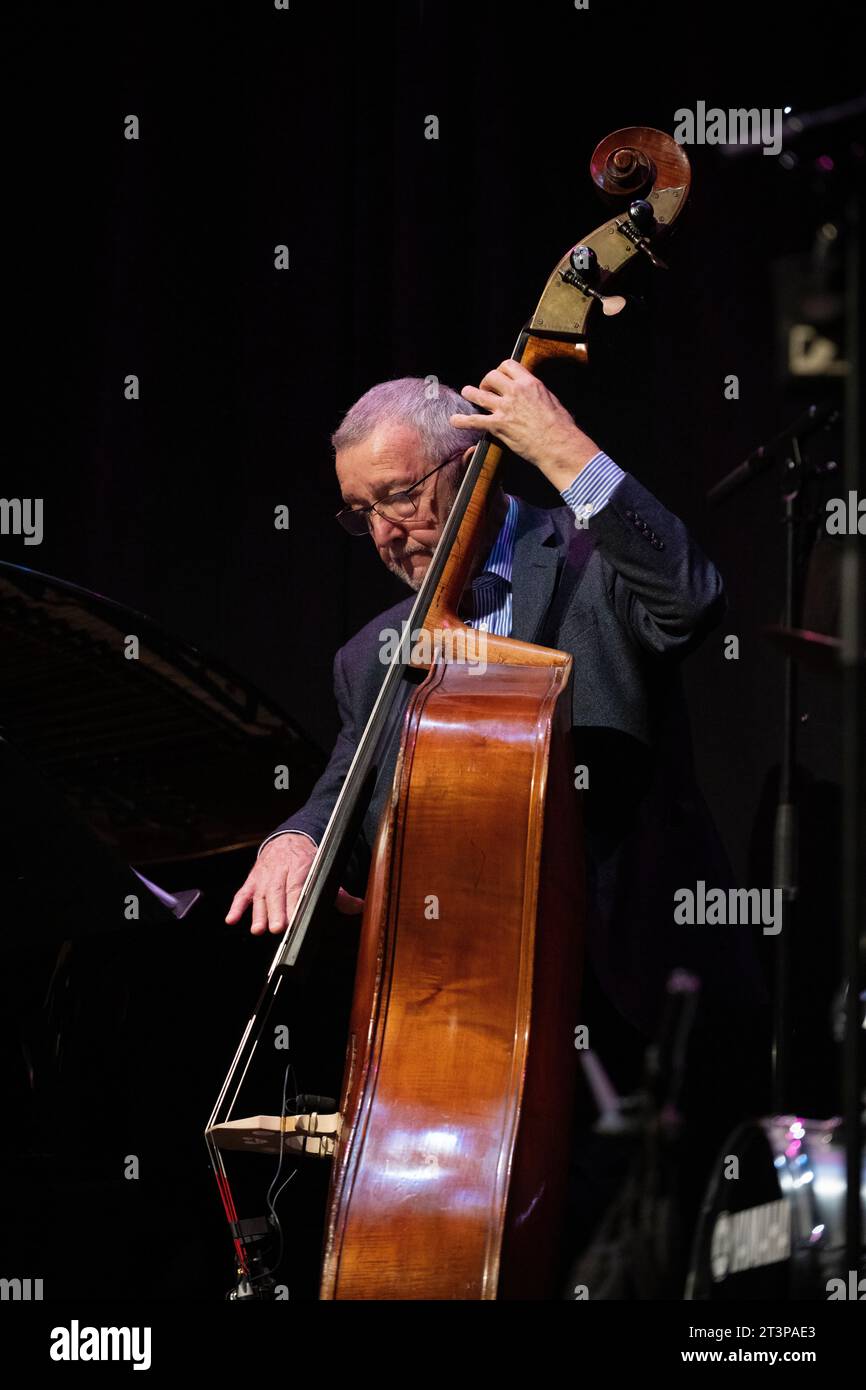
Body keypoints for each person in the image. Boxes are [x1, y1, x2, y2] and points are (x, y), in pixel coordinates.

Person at [225, 362, 771, 1290]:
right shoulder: (372, 658)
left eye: (400, 495)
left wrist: (561, 447)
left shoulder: (594, 560)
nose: (388, 532)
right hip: (486, 1046)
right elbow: (349, 796)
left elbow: (691, 597)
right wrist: (298, 836)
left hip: (645, 1008)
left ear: (473, 461)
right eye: (363, 513)